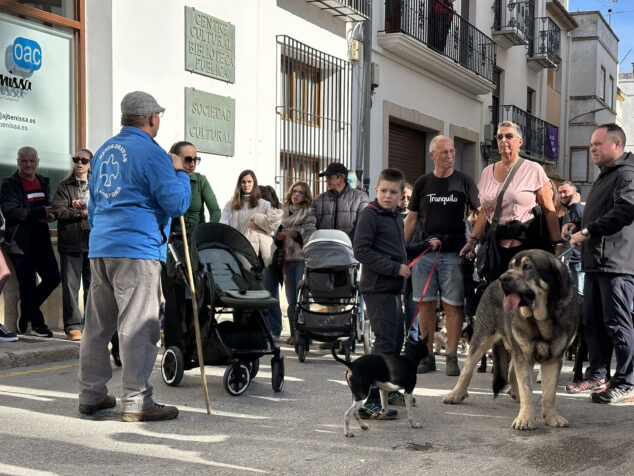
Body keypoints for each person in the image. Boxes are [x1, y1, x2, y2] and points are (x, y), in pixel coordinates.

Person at [77, 91, 190, 422]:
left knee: (97, 327)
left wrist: (103, 235)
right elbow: (176, 204)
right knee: (138, 325)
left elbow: (95, 205)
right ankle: (137, 399)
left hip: (101, 246)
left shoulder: (103, 151)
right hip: (136, 248)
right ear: (152, 118)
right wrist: (182, 173)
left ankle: (92, 394)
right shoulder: (153, 154)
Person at [564, 123, 634, 403]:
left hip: (615, 263)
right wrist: (577, 225)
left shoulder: (627, 174)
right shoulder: (606, 175)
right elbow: (599, 212)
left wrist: (589, 231)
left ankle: (626, 382)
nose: (592, 149)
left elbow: (626, 210)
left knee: (617, 323)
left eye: (598, 144)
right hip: (595, 261)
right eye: (591, 144)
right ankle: (597, 375)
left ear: (617, 145)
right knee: (592, 322)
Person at [404, 136, 480, 376]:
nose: (449, 156)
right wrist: (401, 251)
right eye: (444, 152)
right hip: (426, 252)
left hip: (455, 253)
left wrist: (472, 241)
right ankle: (426, 357)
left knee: (453, 306)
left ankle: (451, 356)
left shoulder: (464, 182)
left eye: (451, 152)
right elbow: (412, 218)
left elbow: (482, 214)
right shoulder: (422, 183)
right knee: (425, 305)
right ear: (432, 156)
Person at [461, 120, 563, 278]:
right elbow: (485, 212)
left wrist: (557, 243)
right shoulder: (488, 171)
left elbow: (549, 210)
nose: (503, 140)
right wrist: (472, 241)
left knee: (522, 298)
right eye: (499, 137)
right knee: (496, 295)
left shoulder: (533, 169)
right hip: (495, 247)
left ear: (520, 142)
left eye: (509, 136)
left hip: (525, 246)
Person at [353, 168, 411, 419]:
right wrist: (395, 268)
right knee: (385, 342)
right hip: (377, 288)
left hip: (392, 288)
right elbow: (361, 251)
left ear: (401, 195)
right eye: (384, 191)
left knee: (397, 339)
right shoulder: (371, 215)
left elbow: (398, 251)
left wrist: (425, 245)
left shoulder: (396, 217)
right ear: (376, 190)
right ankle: (371, 401)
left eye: (393, 192)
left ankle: (390, 389)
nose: (388, 195)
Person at [162, 141, 220, 351]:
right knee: (175, 295)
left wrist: (206, 234)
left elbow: (215, 210)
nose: (192, 163)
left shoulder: (201, 181)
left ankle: (197, 341)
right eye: (187, 159)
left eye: (195, 159)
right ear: (176, 158)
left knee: (197, 292)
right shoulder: (168, 179)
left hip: (194, 242)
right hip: (172, 245)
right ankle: (174, 346)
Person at [1, 146, 60, 338]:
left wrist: (49, 214)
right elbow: (11, 211)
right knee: (26, 284)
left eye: (31, 161)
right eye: (24, 161)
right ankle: (37, 324)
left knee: (53, 278)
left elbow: (45, 207)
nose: (28, 164)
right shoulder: (10, 183)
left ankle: (26, 308)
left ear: (37, 162)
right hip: (19, 241)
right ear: (18, 162)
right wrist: (39, 212)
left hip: (42, 238)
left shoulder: (43, 181)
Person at [220, 172, 282, 337]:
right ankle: (240, 329)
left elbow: (274, 227)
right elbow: (224, 227)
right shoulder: (231, 205)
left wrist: (259, 226)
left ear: (254, 183)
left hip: (259, 256)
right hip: (237, 254)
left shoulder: (264, 204)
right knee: (240, 294)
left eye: (249, 181)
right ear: (239, 184)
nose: (246, 184)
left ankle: (259, 331)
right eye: (243, 181)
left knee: (258, 293)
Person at [50, 149, 93, 341]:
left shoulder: (98, 185)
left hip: (95, 243)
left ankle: (92, 324)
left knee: (95, 286)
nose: (80, 163)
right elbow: (58, 210)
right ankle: (73, 326)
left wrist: (84, 210)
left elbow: (105, 208)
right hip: (71, 242)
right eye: (76, 159)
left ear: (91, 163)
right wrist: (82, 213)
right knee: (70, 286)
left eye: (84, 160)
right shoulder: (64, 186)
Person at [275, 181, 316, 345]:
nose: (296, 195)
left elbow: (309, 235)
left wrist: (295, 235)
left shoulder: (308, 213)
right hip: (286, 259)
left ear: (305, 196)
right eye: (294, 192)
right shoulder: (282, 214)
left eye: (300, 192)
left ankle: (305, 334)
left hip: (302, 259)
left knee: (303, 298)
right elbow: (276, 235)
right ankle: (293, 333)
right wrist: (279, 237)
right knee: (291, 299)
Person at [311, 162, 370, 241]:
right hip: (323, 250)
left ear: (342, 177)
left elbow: (364, 226)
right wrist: (310, 242)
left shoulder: (361, 198)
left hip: (349, 251)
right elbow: (309, 224)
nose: (326, 180)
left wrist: (356, 248)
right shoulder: (317, 200)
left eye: (329, 177)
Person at [258, 185, 284, 340]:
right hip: (263, 257)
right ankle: (269, 329)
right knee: (266, 294)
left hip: (270, 258)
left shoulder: (274, 214)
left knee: (269, 293)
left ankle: (274, 329)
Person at [558, 181, 585, 295]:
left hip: (577, 261)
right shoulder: (567, 211)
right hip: (569, 259)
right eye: (560, 192)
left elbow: (583, 224)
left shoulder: (579, 209)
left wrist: (575, 204)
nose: (562, 195)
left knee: (579, 293)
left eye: (565, 192)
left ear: (575, 193)